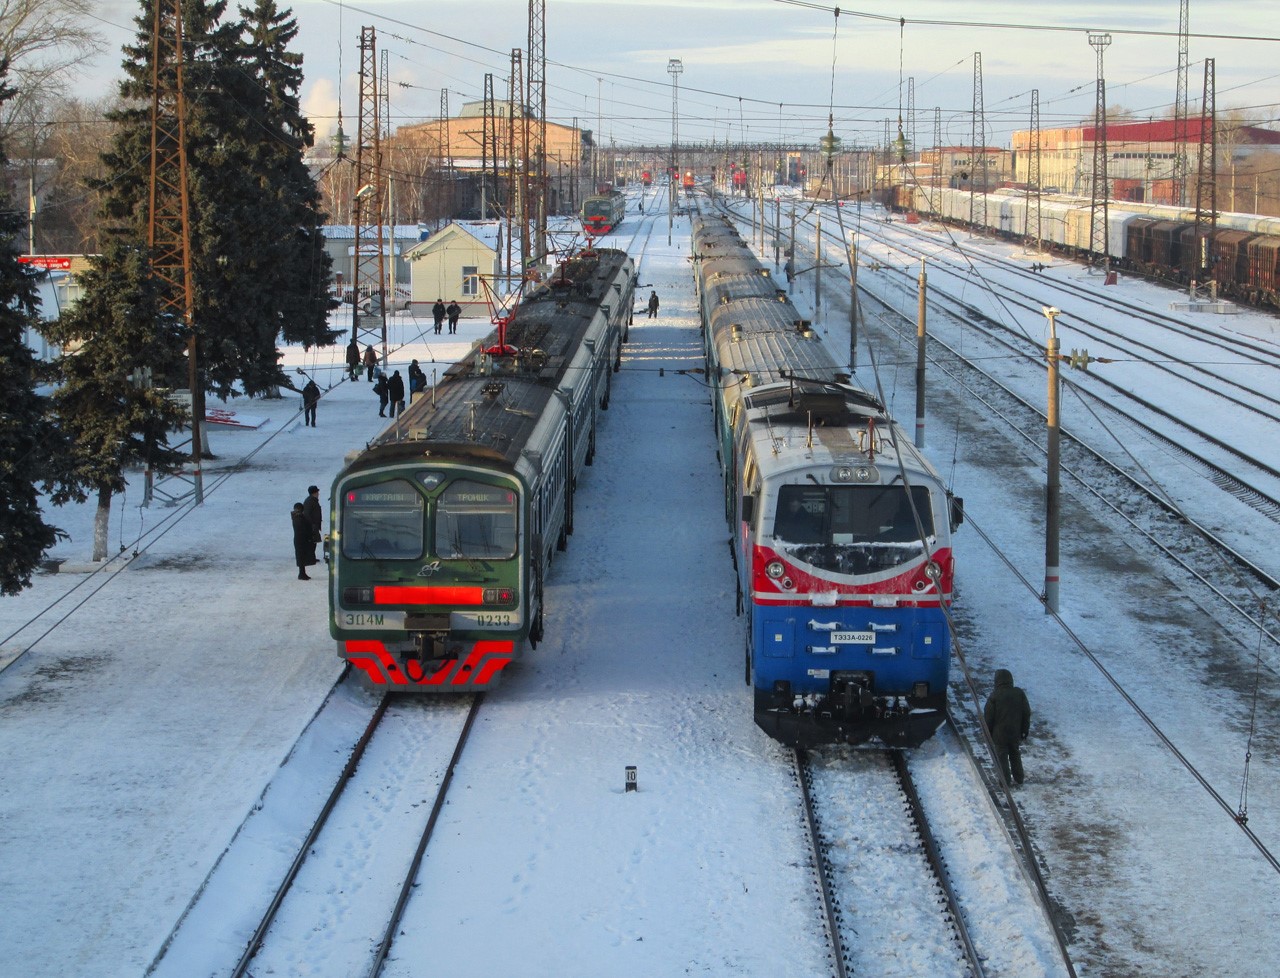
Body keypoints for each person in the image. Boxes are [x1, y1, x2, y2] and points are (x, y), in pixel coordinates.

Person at [983, 668, 1032, 786]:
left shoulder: (994, 696)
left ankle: (1005, 781)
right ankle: (1019, 778)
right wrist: (1025, 730)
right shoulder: (1019, 693)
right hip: (1015, 731)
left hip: (999, 733)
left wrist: (987, 732)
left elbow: (988, 717)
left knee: (1002, 756)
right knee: (1015, 753)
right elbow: (1026, 712)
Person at [291, 502, 314, 580]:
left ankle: (302, 572)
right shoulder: (299, 518)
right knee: (301, 556)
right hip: (301, 539)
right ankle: (301, 573)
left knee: (301, 556)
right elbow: (303, 528)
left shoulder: (296, 517)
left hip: (299, 538)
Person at [302, 485, 323, 564]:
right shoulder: (310, 501)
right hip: (311, 525)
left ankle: (312, 557)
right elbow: (307, 514)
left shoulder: (312, 500)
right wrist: (312, 524)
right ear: (314, 493)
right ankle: (310, 558)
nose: (318, 493)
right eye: (317, 492)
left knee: (313, 542)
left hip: (314, 525)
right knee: (311, 542)